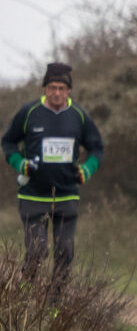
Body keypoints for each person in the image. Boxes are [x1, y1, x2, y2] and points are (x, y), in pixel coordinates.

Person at [4, 62, 105, 281]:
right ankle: (26, 298)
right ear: (45, 89)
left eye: (61, 88)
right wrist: (20, 164)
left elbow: (97, 148)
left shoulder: (79, 116)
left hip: (66, 194)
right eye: (52, 88)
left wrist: (87, 169)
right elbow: (8, 143)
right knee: (37, 251)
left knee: (64, 253)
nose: (57, 93)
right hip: (33, 195)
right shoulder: (29, 112)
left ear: (68, 91)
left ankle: (55, 308)